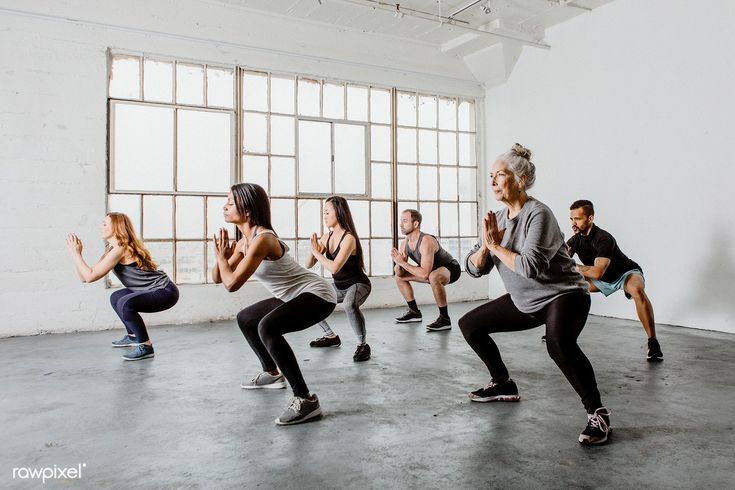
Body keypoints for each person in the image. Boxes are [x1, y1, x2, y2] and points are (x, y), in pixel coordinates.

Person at [460, 144, 612, 445]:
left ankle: (598, 414)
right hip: (526, 300)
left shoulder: (538, 214)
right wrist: (485, 249)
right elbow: (475, 268)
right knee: (470, 325)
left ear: (519, 179)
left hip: (564, 295)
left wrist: (494, 247)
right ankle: (503, 384)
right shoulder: (498, 219)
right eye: (490, 175)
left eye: (499, 175)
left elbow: (529, 267)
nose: (491, 182)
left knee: (559, 344)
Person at [212, 183, 337, 426]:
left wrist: (221, 259)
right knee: (246, 318)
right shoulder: (243, 243)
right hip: (291, 295)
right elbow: (218, 277)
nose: (224, 206)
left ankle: (305, 399)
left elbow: (231, 284)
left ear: (247, 210)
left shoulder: (264, 239)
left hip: (317, 293)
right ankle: (271, 373)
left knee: (267, 327)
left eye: (230, 201)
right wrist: (223, 257)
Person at [66, 213, 179, 361]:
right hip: (148, 289)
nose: (101, 227)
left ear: (117, 227)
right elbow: (85, 278)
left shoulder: (121, 249)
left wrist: (76, 255)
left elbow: (90, 276)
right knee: (116, 297)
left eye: (105, 224)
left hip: (165, 291)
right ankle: (133, 336)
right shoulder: (112, 249)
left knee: (125, 303)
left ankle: (146, 347)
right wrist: (77, 255)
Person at [567, 200, 663, 362]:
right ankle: (559, 332)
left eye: (578, 219)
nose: (573, 223)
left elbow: (597, 273)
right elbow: (559, 263)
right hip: (603, 281)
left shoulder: (604, 238)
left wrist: (572, 266)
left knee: (636, 290)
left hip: (624, 273)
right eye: (571, 219)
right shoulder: (574, 241)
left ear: (590, 218)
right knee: (564, 287)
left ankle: (653, 343)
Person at [306, 196, 372, 362]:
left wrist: (317, 254)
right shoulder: (326, 237)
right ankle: (330, 337)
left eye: (328, 212)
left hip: (358, 284)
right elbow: (308, 264)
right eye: (324, 212)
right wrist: (312, 250)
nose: (325, 216)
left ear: (339, 213)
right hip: (339, 286)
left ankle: (363, 345)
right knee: (309, 301)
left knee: (349, 304)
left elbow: (335, 267)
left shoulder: (349, 238)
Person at [391, 209, 462, 331]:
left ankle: (445, 319)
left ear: (415, 224)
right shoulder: (405, 243)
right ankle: (414, 312)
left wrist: (403, 263)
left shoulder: (426, 241)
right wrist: (399, 264)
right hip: (429, 271)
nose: (401, 225)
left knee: (433, 276)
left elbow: (424, 274)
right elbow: (400, 273)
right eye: (401, 221)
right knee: (399, 277)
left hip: (451, 268)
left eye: (405, 221)